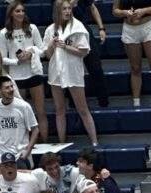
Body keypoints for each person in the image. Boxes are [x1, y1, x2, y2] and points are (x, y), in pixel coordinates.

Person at [43, 0, 98, 146]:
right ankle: (61, 142)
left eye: (69, 8)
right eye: (64, 9)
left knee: (82, 108)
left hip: (73, 71)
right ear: (57, 12)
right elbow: (48, 55)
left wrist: (66, 47)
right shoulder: (50, 29)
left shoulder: (78, 26)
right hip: (56, 72)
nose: (67, 11)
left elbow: (84, 51)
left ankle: (94, 142)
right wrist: (52, 45)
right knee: (59, 109)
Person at [0, 1, 49, 138]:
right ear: (11, 14)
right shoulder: (4, 33)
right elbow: (2, 58)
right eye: (17, 11)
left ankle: (45, 144)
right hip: (16, 77)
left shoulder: (32, 28)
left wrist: (31, 53)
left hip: (34, 73)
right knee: (21, 113)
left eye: (22, 11)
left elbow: (43, 50)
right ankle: (26, 144)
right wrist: (17, 61)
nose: (21, 13)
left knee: (40, 111)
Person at [114, 0, 151, 117]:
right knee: (135, 68)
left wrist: (144, 10)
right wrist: (125, 12)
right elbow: (115, 11)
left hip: (148, 26)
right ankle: (136, 104)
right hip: (129, 29)